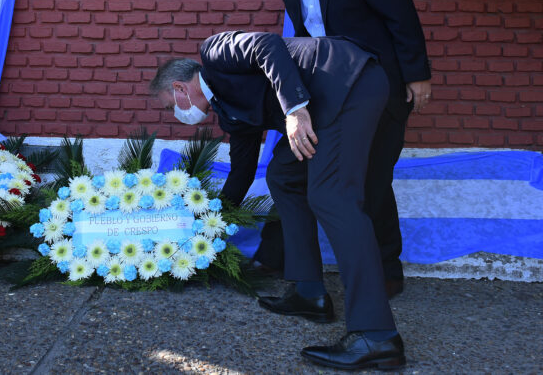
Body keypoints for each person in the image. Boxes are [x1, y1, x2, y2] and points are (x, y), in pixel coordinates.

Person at [151, 31, 407, 370]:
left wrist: (295, 109)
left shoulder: (214, 52)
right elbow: (241, 174)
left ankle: (376, 335)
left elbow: (267, 45)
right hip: (325, 103)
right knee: (283, 176)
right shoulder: (228, 113)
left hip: (347, 82)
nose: (176, 114)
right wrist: (205, 229)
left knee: (331, 197)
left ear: (180, 88)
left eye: (171, 107)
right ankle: (309, 292)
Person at [247, 0, 432, 297]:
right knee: (294, 166)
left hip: (377, 85)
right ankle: (278, 256)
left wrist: (417, 74)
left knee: (373, 178)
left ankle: (386, 271)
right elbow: (301, 40)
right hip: (329, 92)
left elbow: (400, 13)